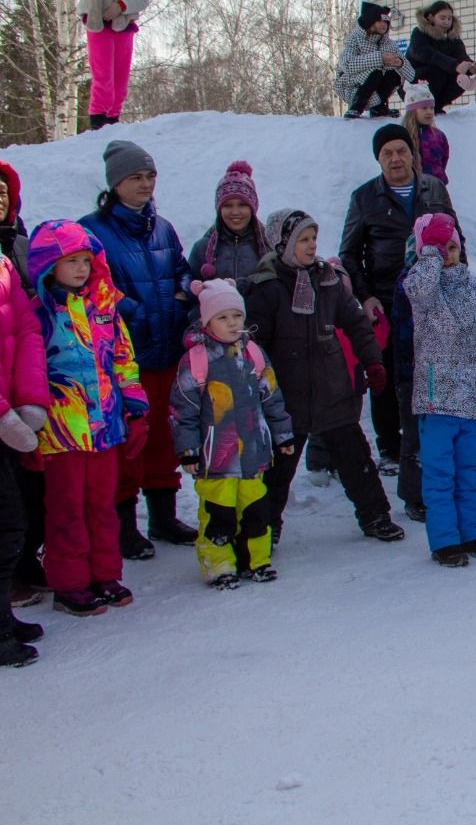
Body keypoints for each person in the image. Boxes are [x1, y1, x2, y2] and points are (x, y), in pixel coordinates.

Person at [247, 209, 405, 543]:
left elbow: (357, 323)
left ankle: (375, 516)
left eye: (313, 238)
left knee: (355, 459)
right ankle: (266, 528)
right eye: (302, 239)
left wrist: (372, 362)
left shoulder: (326, 278)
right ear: (283, 243)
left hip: (333, 388)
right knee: (279, 469)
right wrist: (259, 385)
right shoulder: (268, 286)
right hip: (289, 395)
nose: (310, 245)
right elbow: (255, 345)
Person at [80, 140, 197, 559]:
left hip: (167, 348)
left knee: (165, 436)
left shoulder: (162, 227)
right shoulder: (92, 230)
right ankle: (125, 526)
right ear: (115, 184)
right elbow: (92, 285)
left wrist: (184, 296)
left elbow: (182, 269)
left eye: (150, 176)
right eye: (136, 177)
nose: (145, 184)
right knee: (130, 439)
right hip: (123, 358)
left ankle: (163, 518)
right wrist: (135, 311)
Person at [27, 220, 147, 616]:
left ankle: (104, 573)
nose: (81, 268)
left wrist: (136, 407)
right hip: (61, 432)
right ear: (49, 265)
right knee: (67, 509)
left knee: (100, 504)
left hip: (105, 426)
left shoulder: (104, 308)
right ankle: (69, 582)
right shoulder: (40, 315)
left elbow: (123, 359)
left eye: (85, 260)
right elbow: (29, 369)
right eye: (71, 261)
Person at [340, 124, 458, 474]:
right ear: (378, 159)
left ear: (412, 154)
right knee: (389, 375)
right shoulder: (364, 197)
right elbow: (349, 253)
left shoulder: (433, 188)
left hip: (435, 296)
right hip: (389, 300)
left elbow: (455, 233)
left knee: (433, 370)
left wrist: (457, 278)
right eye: (387, 153)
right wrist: (366, 296)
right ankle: (391, 447)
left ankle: (430, 439)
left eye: (401, 151)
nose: (395, 159)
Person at [170, 280, 295, 588]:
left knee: (255, 510)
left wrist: (283, 435)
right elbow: (182, 410)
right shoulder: (197, 360)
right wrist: (188, 450)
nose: (232, 323)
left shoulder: (253, 353)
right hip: (216, 459)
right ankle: (219, 564)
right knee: (218, 514)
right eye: (223, 317)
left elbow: (272, 397)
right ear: (207, 321)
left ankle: (256, 560)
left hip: (253, 454)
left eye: (236, 316)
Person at [404, 213, 476, 567]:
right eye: (436, 246)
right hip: (438, 399)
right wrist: (428, 252)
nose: (445, 253)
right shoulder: (423, 284)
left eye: (450, 246)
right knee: (439, 473)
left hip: (473, 397)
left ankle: (472, 533)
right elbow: (418, 289)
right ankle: (444, 540)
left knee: (468, 471)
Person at [0, 160, 48, 612]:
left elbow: (29, 324)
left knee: (29, 488)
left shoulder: (17, 246)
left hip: (22, 386)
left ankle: (25, 563)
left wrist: (31, 397)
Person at [62, 0, 148, 130]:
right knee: (103, 77)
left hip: (123, 26)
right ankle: (99, 121)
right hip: (98, 25)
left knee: (120, 79)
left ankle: (113, 119)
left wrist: (122, 4)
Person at [188, 161, 270, 295]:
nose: (235, 212)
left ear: (253, 207)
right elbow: (192, 296)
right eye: (227, 205)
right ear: (219, 209)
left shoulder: (270, 245)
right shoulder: (202, 249)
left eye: (242, 204)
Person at [335, 2, 414, 119]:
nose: (384, 25)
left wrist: (400, 63)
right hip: (350, 85)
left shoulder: (389, 44)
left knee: (394, 75)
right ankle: (356, 107)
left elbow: (411, 75)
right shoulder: (355, 40)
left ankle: (379, 108)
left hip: (374, 89)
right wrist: (379, 58)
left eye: (386, 22)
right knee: (376, 71)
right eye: (380, 21)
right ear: (369, 22)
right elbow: (347, 64)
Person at [406, 0, 476, 112]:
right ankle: (424, 107)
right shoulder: (419, 33)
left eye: (449, 19)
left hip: (438, 83)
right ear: (431, 17)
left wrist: (470, 67)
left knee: (461, 78)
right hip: (414, 83)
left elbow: (461, 55)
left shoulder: (453, 39)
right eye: (442, 18)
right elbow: (425, 53)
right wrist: (454, 65)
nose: (446, 22)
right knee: (436, 72)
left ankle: (436, 106)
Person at [400, 83, 450, 183]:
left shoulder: (439, 136)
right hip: (413, 186)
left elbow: (444, 159)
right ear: (412, 111)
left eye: (431, 108)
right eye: (424, 108)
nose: (429, 112)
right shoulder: (404, 135)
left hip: (436, 186)